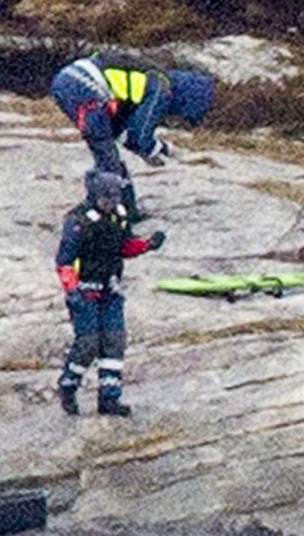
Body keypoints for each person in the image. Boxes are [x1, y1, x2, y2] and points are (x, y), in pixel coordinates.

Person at [53, 168, 159, 418]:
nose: (110, 204)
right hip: (85, 289)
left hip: (111, 287)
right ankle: (68, 385)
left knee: (115, 340)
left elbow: (124, 246)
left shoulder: (120, 216)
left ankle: (109, 398)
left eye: (114, 199)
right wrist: (72, 289)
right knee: (88, 342)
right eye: (106, 199)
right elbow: (65, 261)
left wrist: (147, 245)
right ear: (94, 196)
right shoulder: (78, 221)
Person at [49, 55, 217, 205]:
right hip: (86, 85)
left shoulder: (151, 80)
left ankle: (114, 207)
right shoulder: (162, 89)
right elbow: (140, 135)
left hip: (68, 80)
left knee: (106, 151)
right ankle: (104, 211)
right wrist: (160, 150)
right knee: (106, 155)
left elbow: (124, 134)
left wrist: (151, 150)